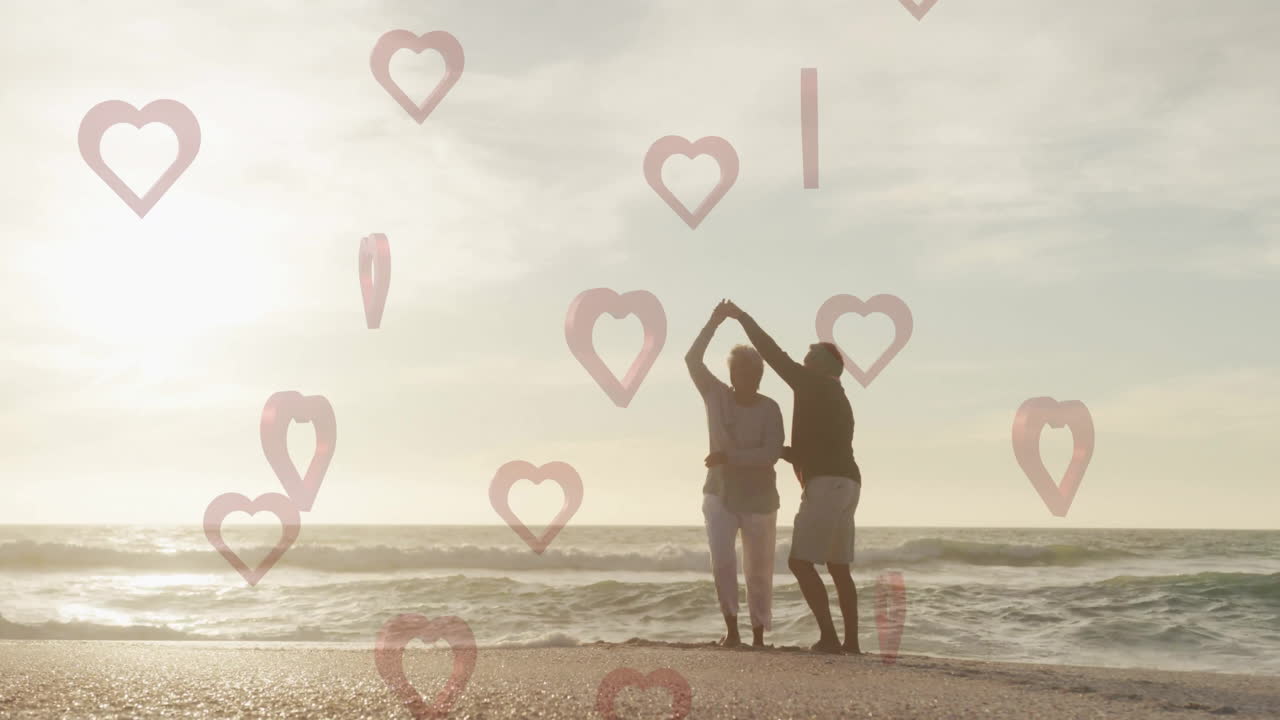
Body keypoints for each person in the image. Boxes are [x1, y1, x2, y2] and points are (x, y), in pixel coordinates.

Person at [719, 299, 862, 655]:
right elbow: (813, 449)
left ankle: (830, 637)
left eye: (809, 356)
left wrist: (742, 317)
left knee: (800, 562)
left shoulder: (812, 384)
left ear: (823, 366)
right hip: (850, 483)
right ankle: (852, 643)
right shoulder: (838, 398)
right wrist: (772, 450)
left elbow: (771, 352)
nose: (802, 360)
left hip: (826, 484)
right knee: (838, 566)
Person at [685, 301, 784, 648]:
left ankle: (758, 634)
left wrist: (730, 456)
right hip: (719, 493)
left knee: (758, 570)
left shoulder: (770, 408)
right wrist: (714, 321)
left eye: (748, 371)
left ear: (758, 375)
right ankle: (732, 629)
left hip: (759, 498)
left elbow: (770, 453)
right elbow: (692, 359)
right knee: (723, 562)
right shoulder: (716, 395)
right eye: (736, 370)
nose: (741, 376)